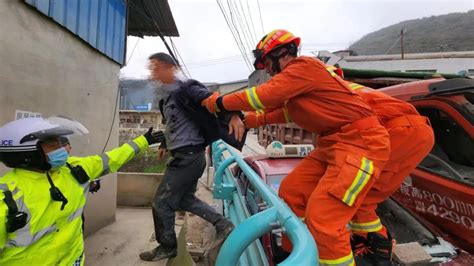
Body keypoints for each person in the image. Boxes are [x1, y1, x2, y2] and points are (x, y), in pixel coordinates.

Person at [202, 29, 391, 265]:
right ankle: (294, 254)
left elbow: (264, 96)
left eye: (268, 64)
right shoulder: (300, 87)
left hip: (360, 143)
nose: (268, 71)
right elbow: (284, 112)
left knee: (324, 219)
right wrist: (253, 119)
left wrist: (219, 102)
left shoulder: (304, 66)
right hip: (333, 143)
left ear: (282, 53)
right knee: (292, 190)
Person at [246, 66, 435, 264]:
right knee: (352, 198)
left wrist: (226, 106)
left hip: (398, 132)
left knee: (331, 212)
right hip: (396, 132)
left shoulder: (331, 94)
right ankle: (375, 250)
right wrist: (256, 118)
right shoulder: (339, 91)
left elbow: (280, 108)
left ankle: (369, 252)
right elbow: (286, 113)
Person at [0, 116, 164, 265]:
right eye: (53, 144)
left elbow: (112, 158)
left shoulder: (73, 169)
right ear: (28, 153)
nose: (62, 149)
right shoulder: (6, 195)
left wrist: (143, 141)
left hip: (74, 260)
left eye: (60, 143)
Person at [139, 53, 242, 261]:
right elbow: (174, 125)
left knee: (162, 203)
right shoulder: (166, 99)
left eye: (157, 67)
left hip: (188, 157)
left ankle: (167, 246)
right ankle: (222, 224)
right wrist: (165, 144)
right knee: (185, 199)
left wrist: (233, 113)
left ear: (171, 68)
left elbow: (212, 99)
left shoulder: (187, 89)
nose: (153, 73)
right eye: (151, 68)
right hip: (186, 156)